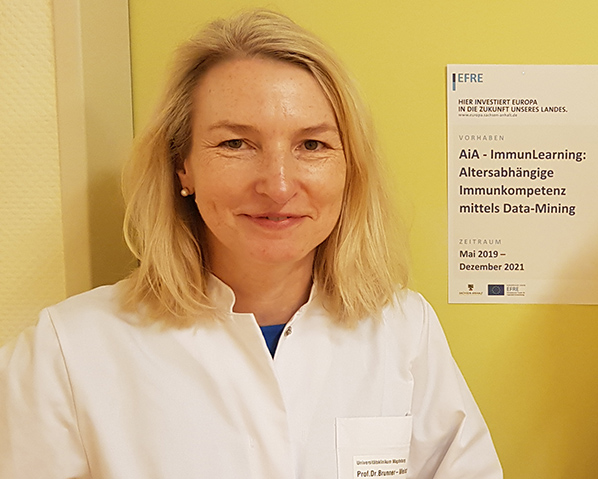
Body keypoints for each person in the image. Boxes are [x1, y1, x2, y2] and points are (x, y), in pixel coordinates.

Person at [0, 9, 502, 479]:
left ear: (349, 168)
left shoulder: (404, 331)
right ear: (183, 167)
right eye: (235, 144)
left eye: (312, 145)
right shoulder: (67, 351)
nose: (278, 186)